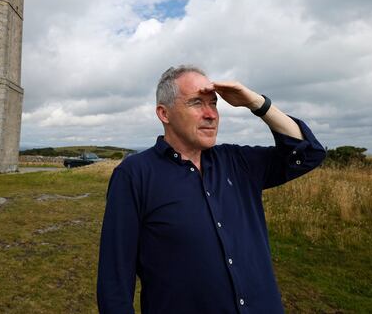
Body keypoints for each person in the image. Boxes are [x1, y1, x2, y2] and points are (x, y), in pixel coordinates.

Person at [97, 65, 326, 313]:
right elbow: (115, 282)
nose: (211, 114)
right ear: (164, 114)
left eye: (214, 104)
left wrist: (256, 103)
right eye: (197, 103)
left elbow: (309, 152)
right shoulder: (135, 174)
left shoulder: (238, 163)